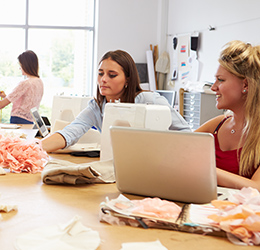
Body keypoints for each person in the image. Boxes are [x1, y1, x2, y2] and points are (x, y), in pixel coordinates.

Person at [41, 49, 190, 152]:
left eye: (112, 75)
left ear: (127, 79)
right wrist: (33, 149)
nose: (103, 80)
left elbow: (185, 132)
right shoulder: (97, 107)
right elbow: (70, 133)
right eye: (100, 74)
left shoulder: (150, 100)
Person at [195, 40, 260, 190]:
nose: (213, 87)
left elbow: (256, 187)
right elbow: (176, 152)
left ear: (246, 85)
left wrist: (204, 170)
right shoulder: (217, 125)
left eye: (221, 80)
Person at [0, 50, 44, 124]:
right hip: (30, 121)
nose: (19, 68)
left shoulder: (25, 83)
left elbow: (1, 105)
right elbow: (26, 102)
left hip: (19, 120)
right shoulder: (39, 82)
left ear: (26, 65)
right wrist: (6, 96)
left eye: (20, 65)